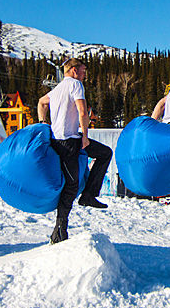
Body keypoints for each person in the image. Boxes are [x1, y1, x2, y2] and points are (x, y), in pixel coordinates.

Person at [38, 58, 114, 245]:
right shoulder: (75, 85)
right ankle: (59, 231)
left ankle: (89, 195)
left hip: (61, 139)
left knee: (104, 153)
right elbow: (82, 111)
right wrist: (85, 136)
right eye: (83, 70)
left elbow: (41, 102)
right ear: (73, 70)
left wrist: (42, 122)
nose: (85, 73)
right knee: (71, 186)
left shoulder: (57, 88)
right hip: (69, 142)